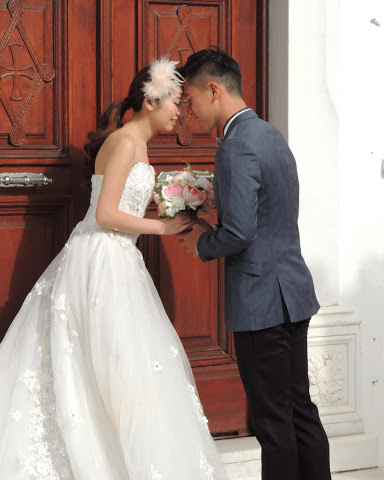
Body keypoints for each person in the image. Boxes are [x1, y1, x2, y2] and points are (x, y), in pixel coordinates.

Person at [0, 58, 229, 480]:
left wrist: (186, 199)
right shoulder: (125, 143)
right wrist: (163, 226)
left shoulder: (137, 144)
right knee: (110, 359)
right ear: (149, 101)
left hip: (119, 255)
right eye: (175, 102)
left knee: (119, 363)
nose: (180, 112)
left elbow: (123, 203)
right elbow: (105, 214)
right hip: (102, 257)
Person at [178, 48, 332, 480]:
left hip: (262, 302)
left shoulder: (235, 147)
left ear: (213, 89)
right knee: (299, 409)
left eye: (191, 100)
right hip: (292, 294)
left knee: (271, 420)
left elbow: (241, 232)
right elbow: (268, 213)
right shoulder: (270, 134)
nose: (191, 112)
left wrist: (203, 242)